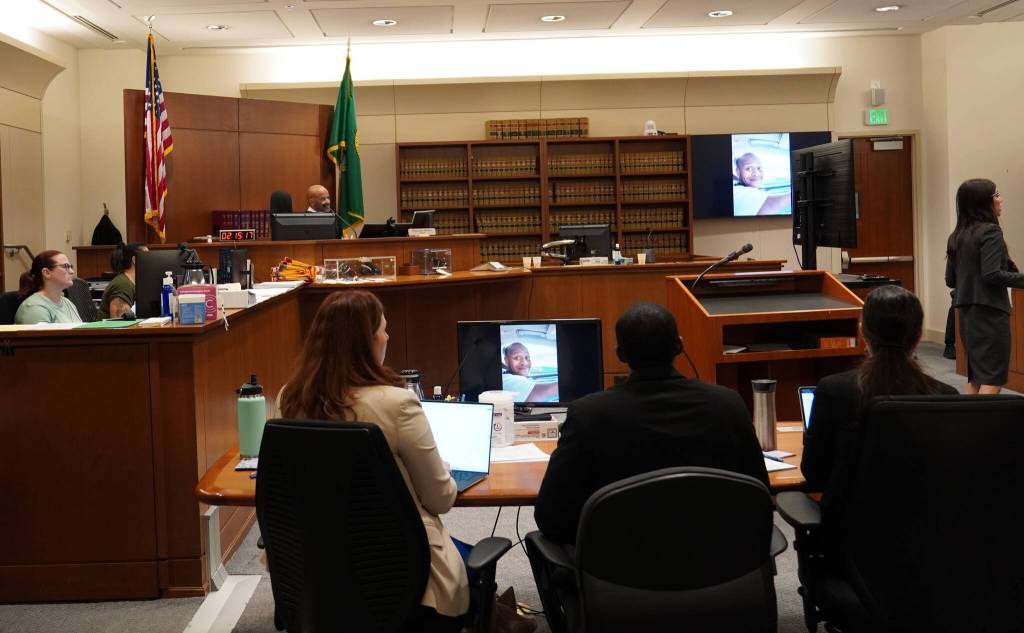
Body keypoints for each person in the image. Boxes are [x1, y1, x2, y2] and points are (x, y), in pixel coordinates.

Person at [276, 290, 468, 630]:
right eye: (383, 328)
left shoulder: (291, 398)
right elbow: (441, 498)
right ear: (367, 341)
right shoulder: (398, 403)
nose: (387, 336)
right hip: (400, 572)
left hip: (317, 571)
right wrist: (447, 473)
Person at [534, 302, 768, 546]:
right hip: (722, 564)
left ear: (621, 355)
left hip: (618, 572)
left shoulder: (588, 414)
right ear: (679, 345)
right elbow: (759, 492)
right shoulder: (728, 404)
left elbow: (551, 517)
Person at [801, 285, 957, 509]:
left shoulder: (833, 390)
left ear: (862, 331)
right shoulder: (945, 396)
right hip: (925, 535)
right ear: (919, 336)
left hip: (849, 535)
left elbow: (814, 473)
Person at [945, 178, 1024, 394]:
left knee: (977, 378)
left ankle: (968, 426)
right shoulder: (991, 232)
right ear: (983, 202)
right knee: (993, 378)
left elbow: (951, 280)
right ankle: (981, 427)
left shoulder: (957, 235)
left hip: (967, 315)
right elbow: (992, 274)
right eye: (996, 195)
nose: (1001, 200)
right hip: (990, 314)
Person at [15, 250, 83, 325]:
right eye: (66, 266)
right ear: (47, 273)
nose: (72, 271)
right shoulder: (34, 308)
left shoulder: (68, 303)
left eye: (71, 266)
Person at [98, 243, 148, 319]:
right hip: (110, 330)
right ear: (135, 260)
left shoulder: (133, 282)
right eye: (148, 256)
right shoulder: (123, 284)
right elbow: (118, 322)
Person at [733, 152, 789, 216]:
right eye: (749, 169)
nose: (756, 174)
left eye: (759, 168)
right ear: (738, 172)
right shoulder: (738, 191)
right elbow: (772, 205)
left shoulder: (746, 186)